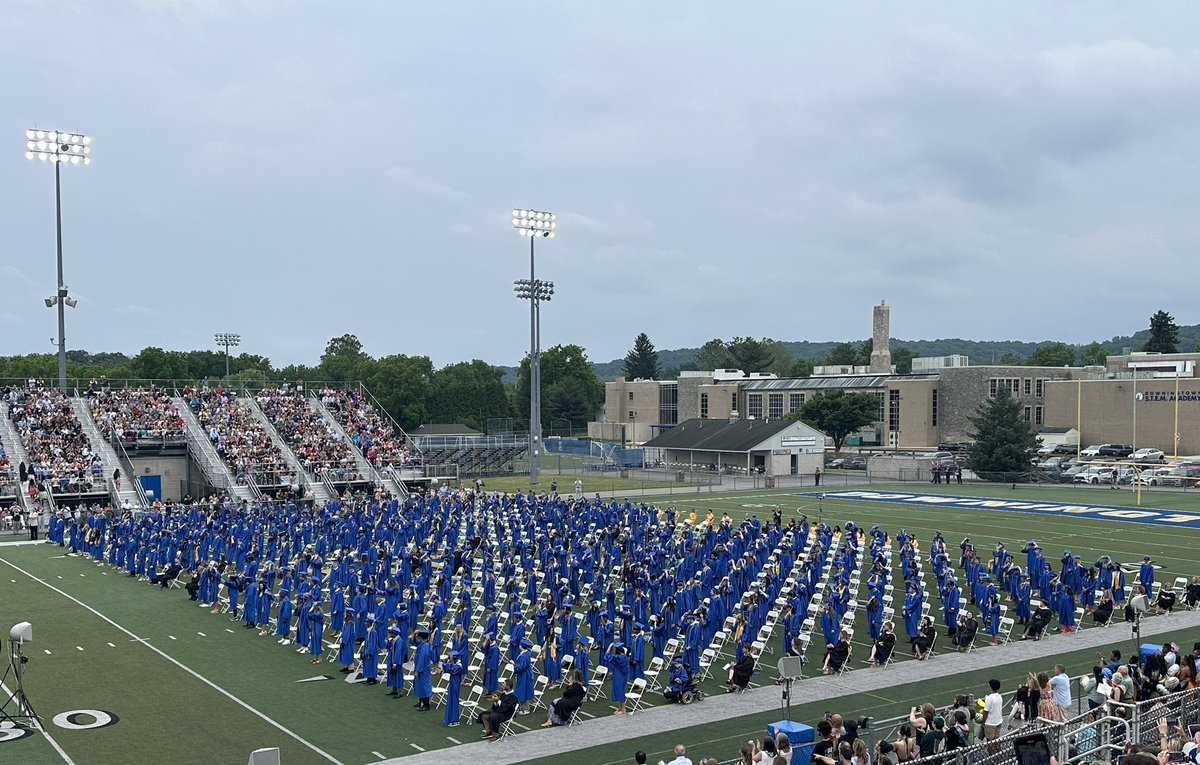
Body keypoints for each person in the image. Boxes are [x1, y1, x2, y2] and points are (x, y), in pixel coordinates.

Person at [980, 679, 1004, 751]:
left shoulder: (989, 698)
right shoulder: (999, 696)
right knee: (997, 740)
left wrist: (983, 723)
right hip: (998, 721)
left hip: (990, 723)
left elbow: (985, 712)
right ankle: (999, 754)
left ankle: (992, 757)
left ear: (991, 687)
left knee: (990, 743)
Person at [442, 650, 464, 726]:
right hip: (452, 683)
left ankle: (455, 720)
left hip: (455, 684)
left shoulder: (458, 666)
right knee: (451, 700)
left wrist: (447, 662)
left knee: (454, 701)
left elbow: (451, 670)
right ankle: (450, 718)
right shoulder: (455, 665)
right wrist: (448, 662)